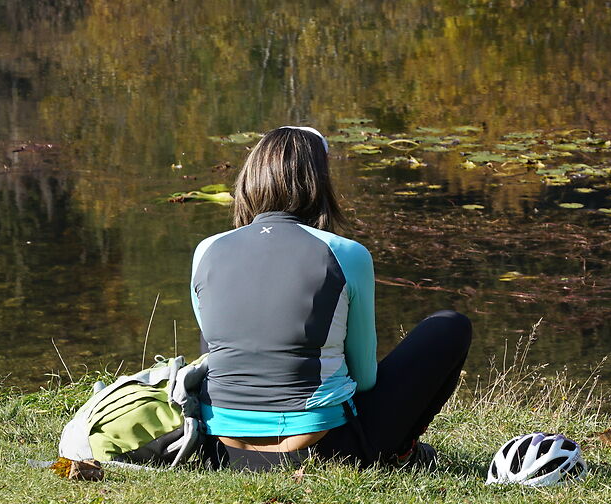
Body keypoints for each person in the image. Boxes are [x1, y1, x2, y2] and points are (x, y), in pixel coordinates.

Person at [190, 125, 472, 471]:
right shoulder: (345, 254)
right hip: (325, 449)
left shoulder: (206, 250)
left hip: (220, 452)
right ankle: (402, 451)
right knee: (449, 326)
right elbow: (365, 378)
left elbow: (213, 354)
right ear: (319, 182)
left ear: (251, 179)